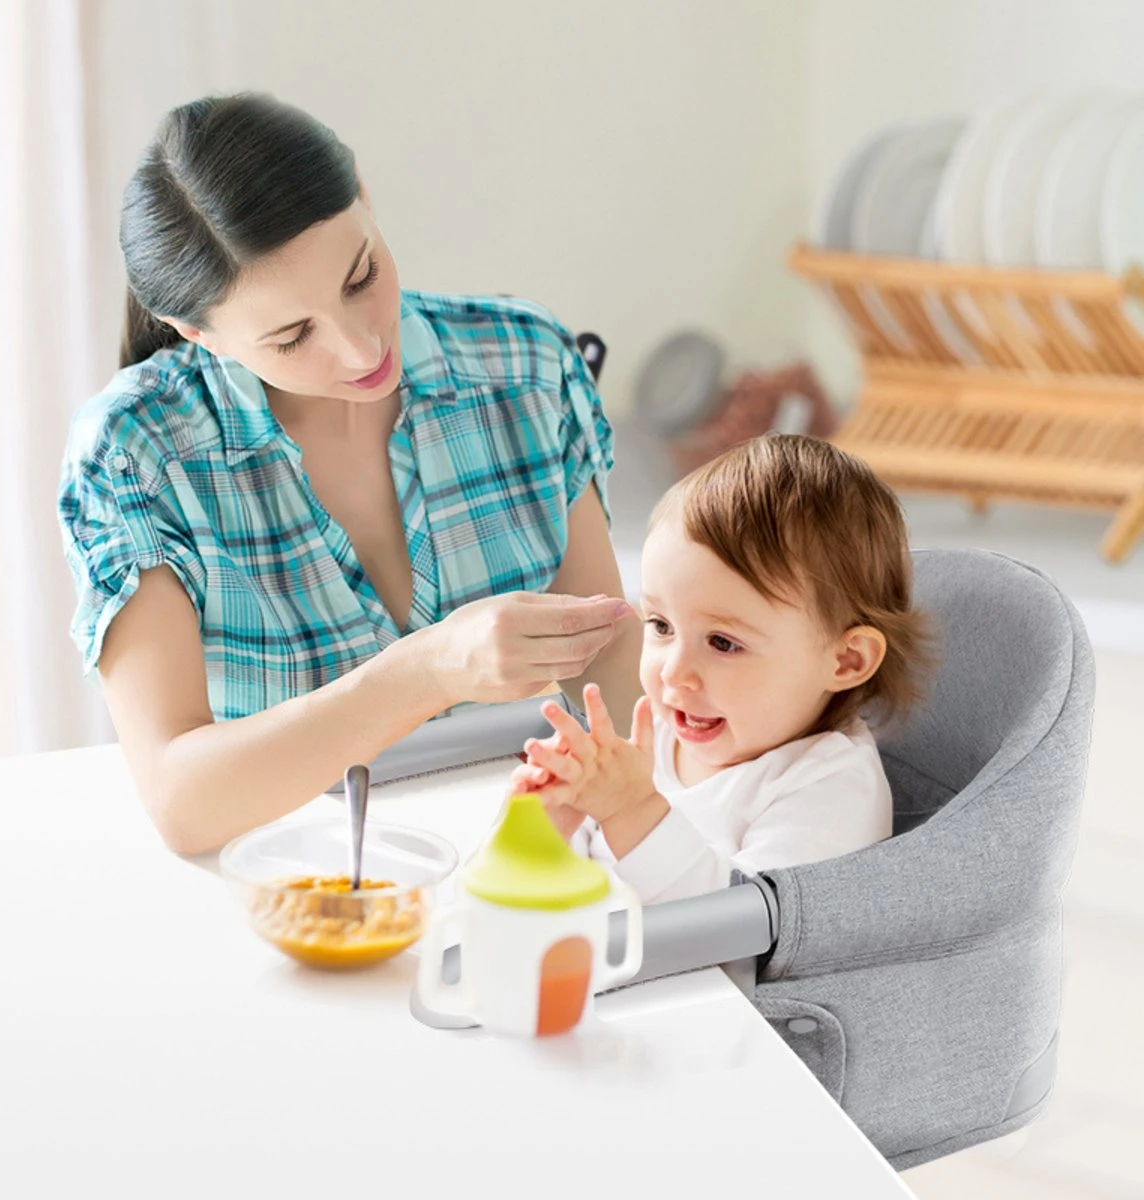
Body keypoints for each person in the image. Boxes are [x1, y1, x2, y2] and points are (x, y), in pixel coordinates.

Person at [57, 93, 641, 855]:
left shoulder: (523, 363)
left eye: (361, 276)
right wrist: (430, 669)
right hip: (286, 890)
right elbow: (181, 799)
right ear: (199, 334)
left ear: (363, 194)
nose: (363, 351)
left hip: (524, 859)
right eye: (293, 335)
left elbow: (612, 668)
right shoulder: (134, 452)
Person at [509, 433, 934, 904]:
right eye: (661, 625)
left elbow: (744, 936)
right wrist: (554, 821)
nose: (674, 673)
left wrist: (630, 809)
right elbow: (590, 876)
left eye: (723, 642)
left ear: (846, 660)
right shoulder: (666, 734)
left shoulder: (831, 788)